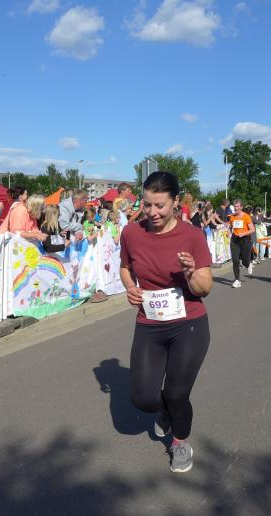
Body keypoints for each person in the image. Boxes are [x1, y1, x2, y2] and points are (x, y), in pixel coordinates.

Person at [120, 171, 213, 474]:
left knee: (176, 393)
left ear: (175, 202)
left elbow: (204, 289)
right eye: (147, 205)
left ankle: (181, 442)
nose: (153, 212)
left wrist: (191, 273)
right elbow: (125, 267)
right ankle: (165, 412)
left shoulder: (192, 236)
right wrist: (130, 287)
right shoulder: (131, 233)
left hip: (189, 324)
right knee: (143, 398)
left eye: (160, 205)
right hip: (149, 323)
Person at [227, 199, 255, 288]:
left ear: (241, 207)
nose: (236, 208)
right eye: (235, 206)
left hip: (245, 240)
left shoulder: (246, 216)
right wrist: (228, 232)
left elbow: (252, 229)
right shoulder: (232, 217)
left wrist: (244, 233)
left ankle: (248, 264)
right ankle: (237, 280)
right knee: (235, 260)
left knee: (245, 261)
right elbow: (230, 227)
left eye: (237, 206)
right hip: (235, 240)